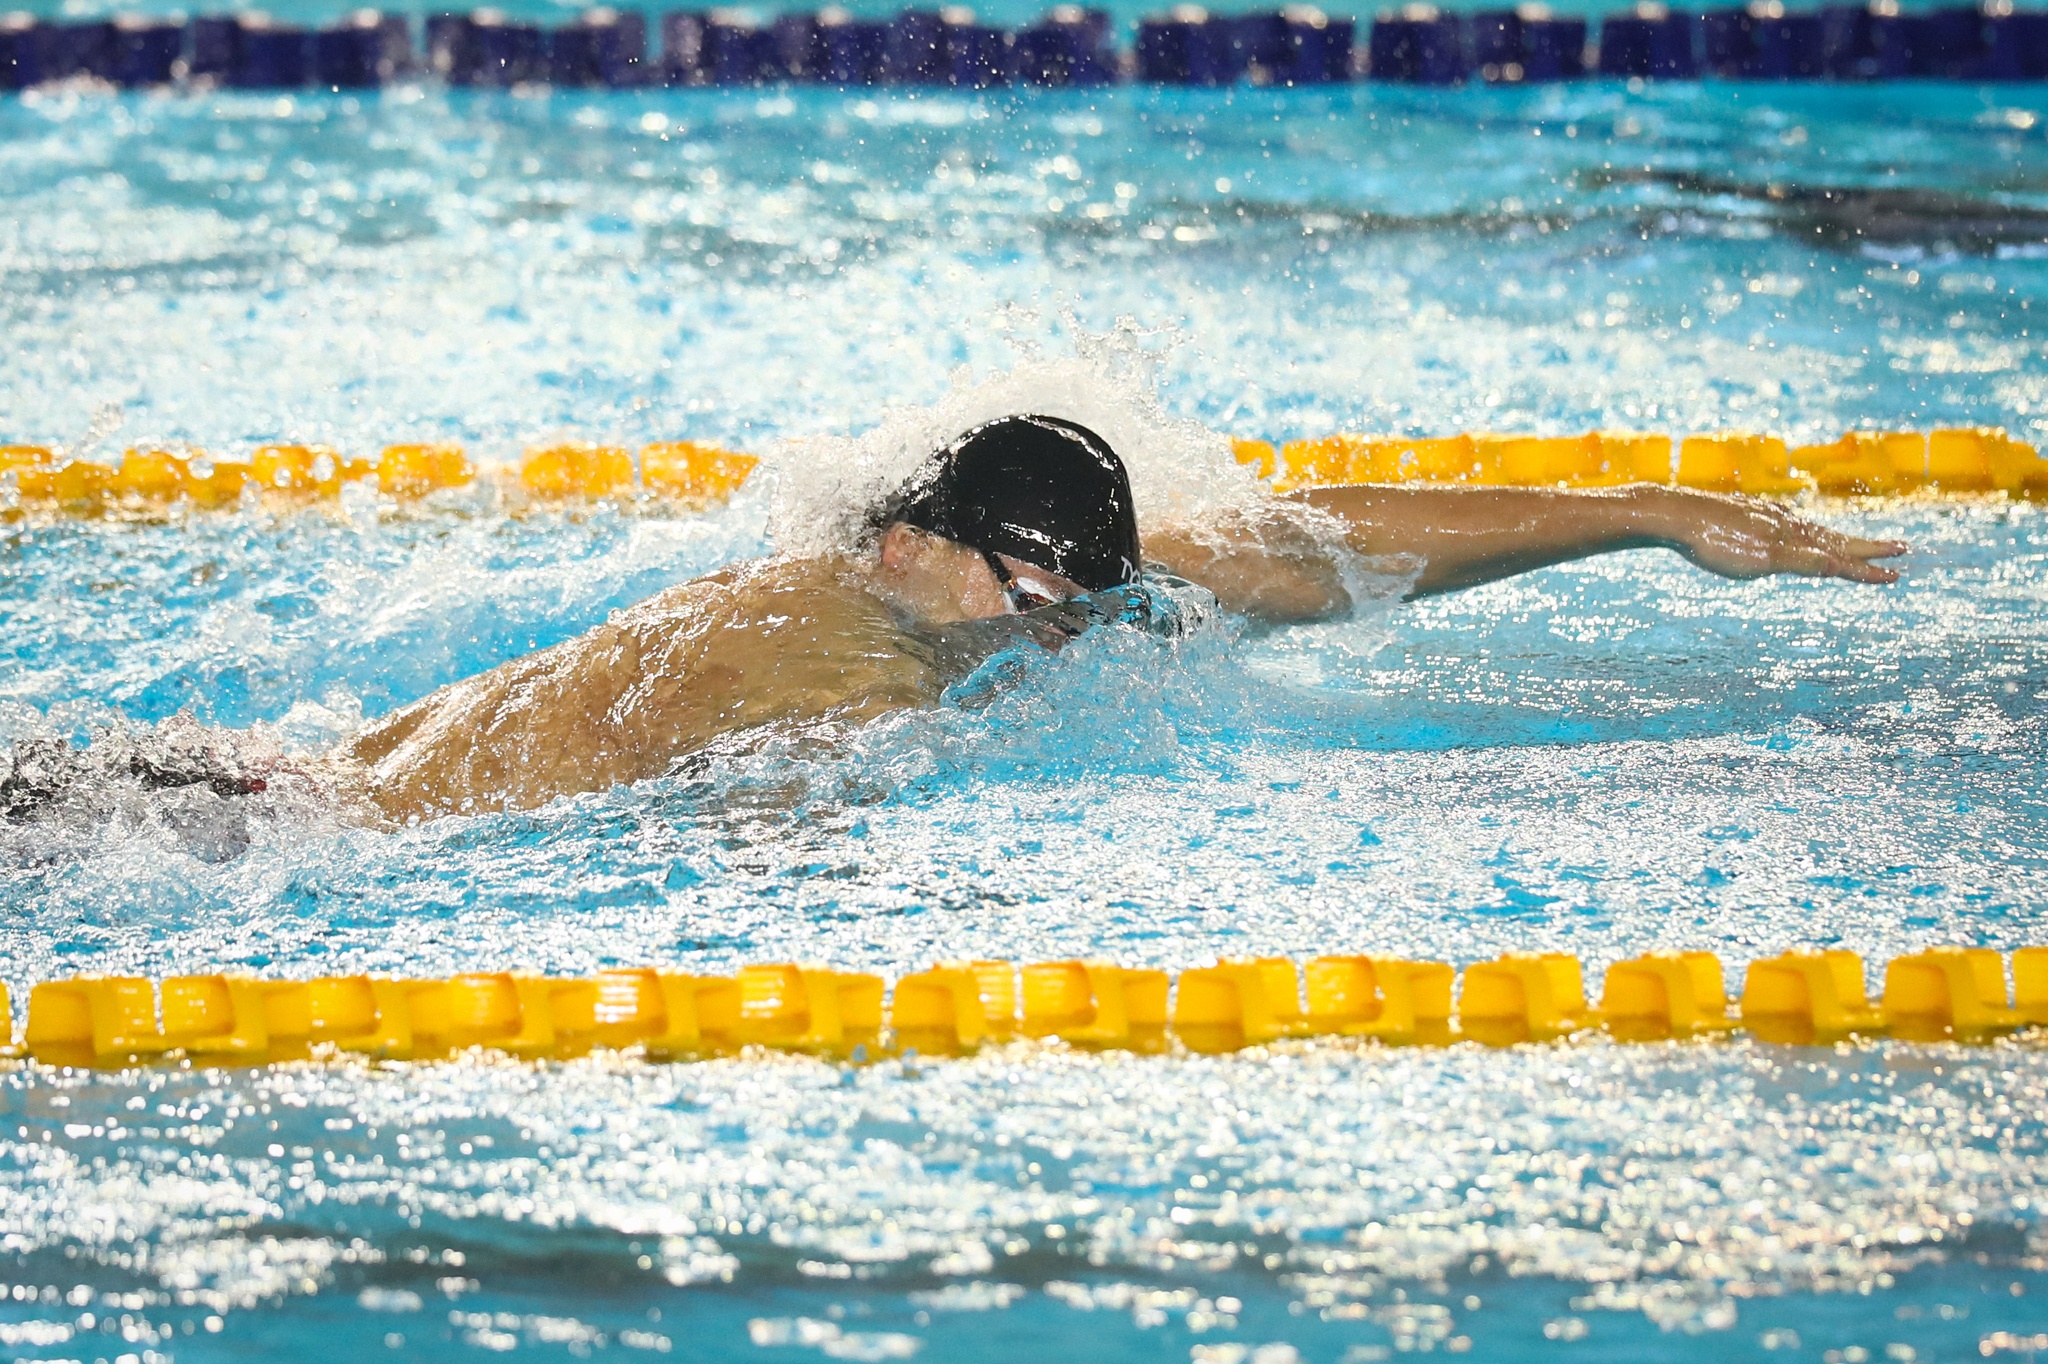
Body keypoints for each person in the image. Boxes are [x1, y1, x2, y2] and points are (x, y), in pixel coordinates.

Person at [3, 415, 1905, 829]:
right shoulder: (840, 652)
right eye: (1035, 602)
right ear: (933, 544)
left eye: (1081, 607)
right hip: (286, 825)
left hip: (303, 770)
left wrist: (1655, 513)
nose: (1062, 643)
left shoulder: (936, 577)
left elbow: (1301, 551)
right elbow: (765, 822)